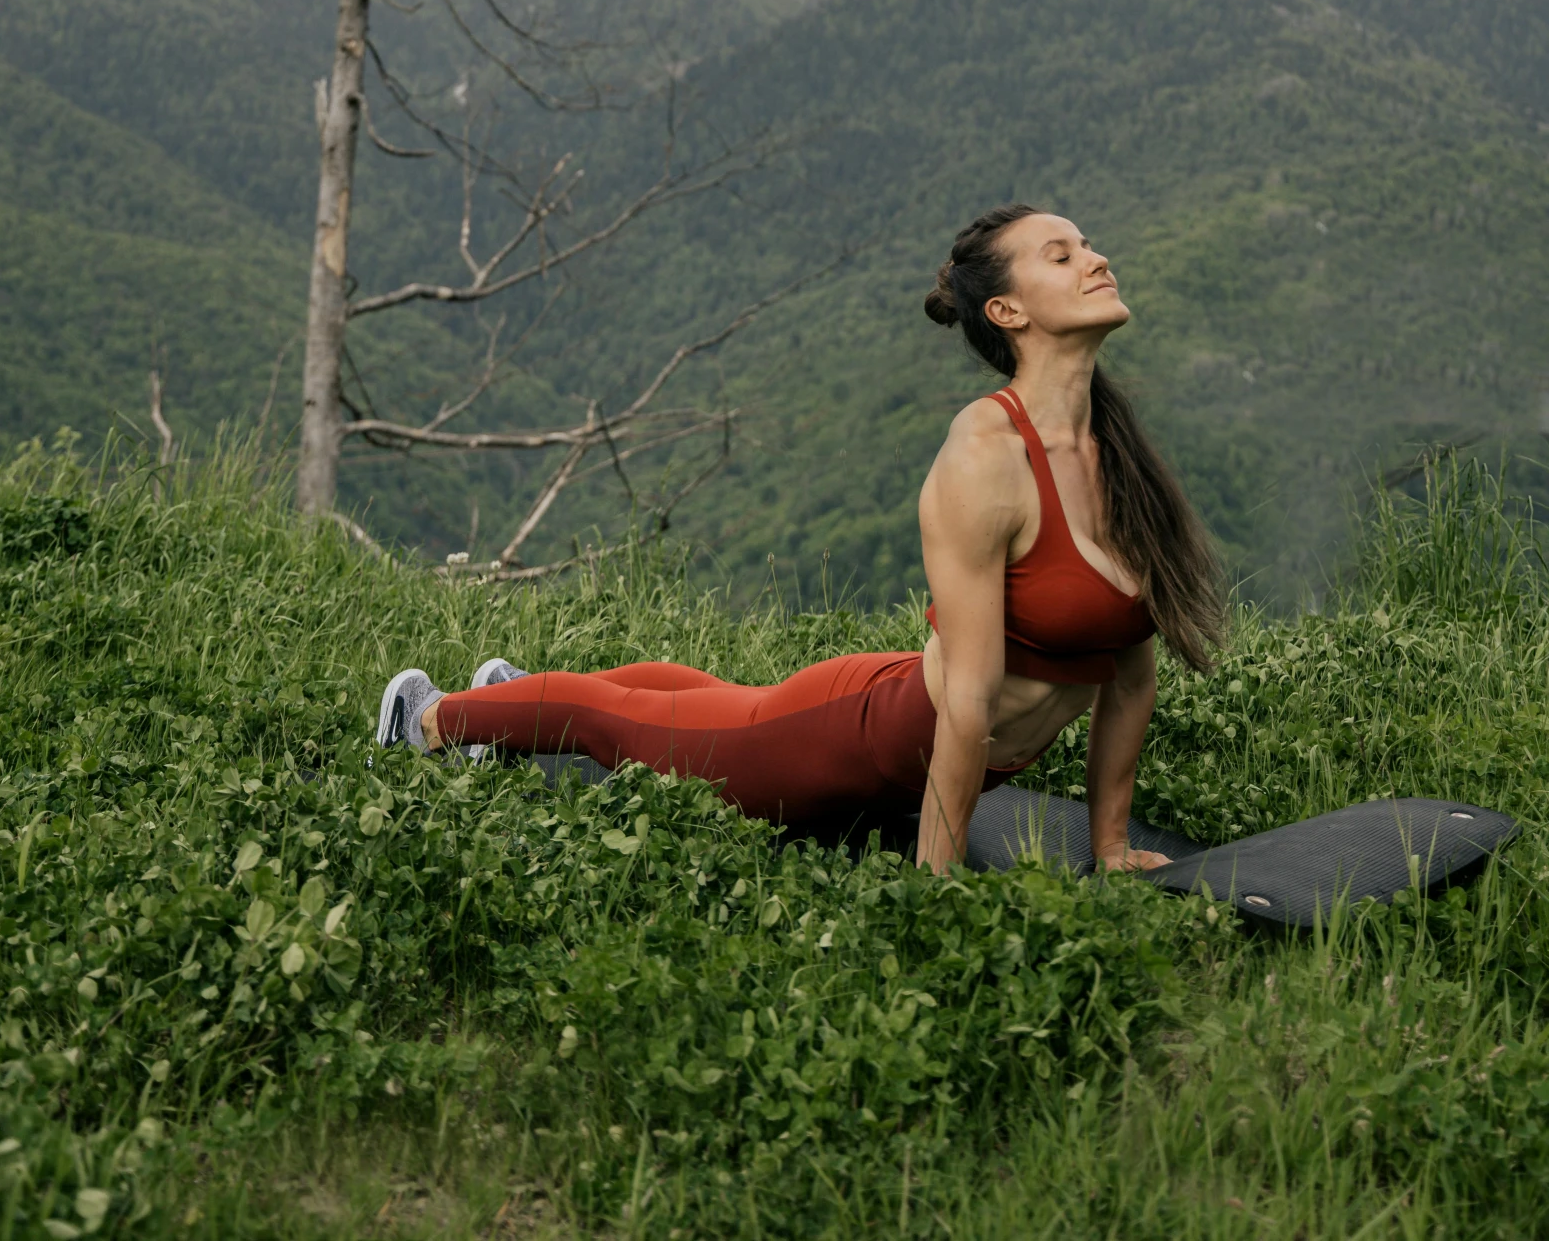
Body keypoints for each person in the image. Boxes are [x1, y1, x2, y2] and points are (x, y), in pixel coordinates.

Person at [375, 204, 1226, 870]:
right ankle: (431, 718)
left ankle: (511, 692)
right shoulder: (984, 457)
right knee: (632, 728)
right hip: (856, 741)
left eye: (1086, 245)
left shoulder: (1116, 457)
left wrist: (1110, 848)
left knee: (717, 705)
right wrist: (936, 887)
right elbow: (966, 702)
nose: (1096, 258)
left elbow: (1129, 672)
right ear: (1005, 309)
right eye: (1062, 253)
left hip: (879, 708)